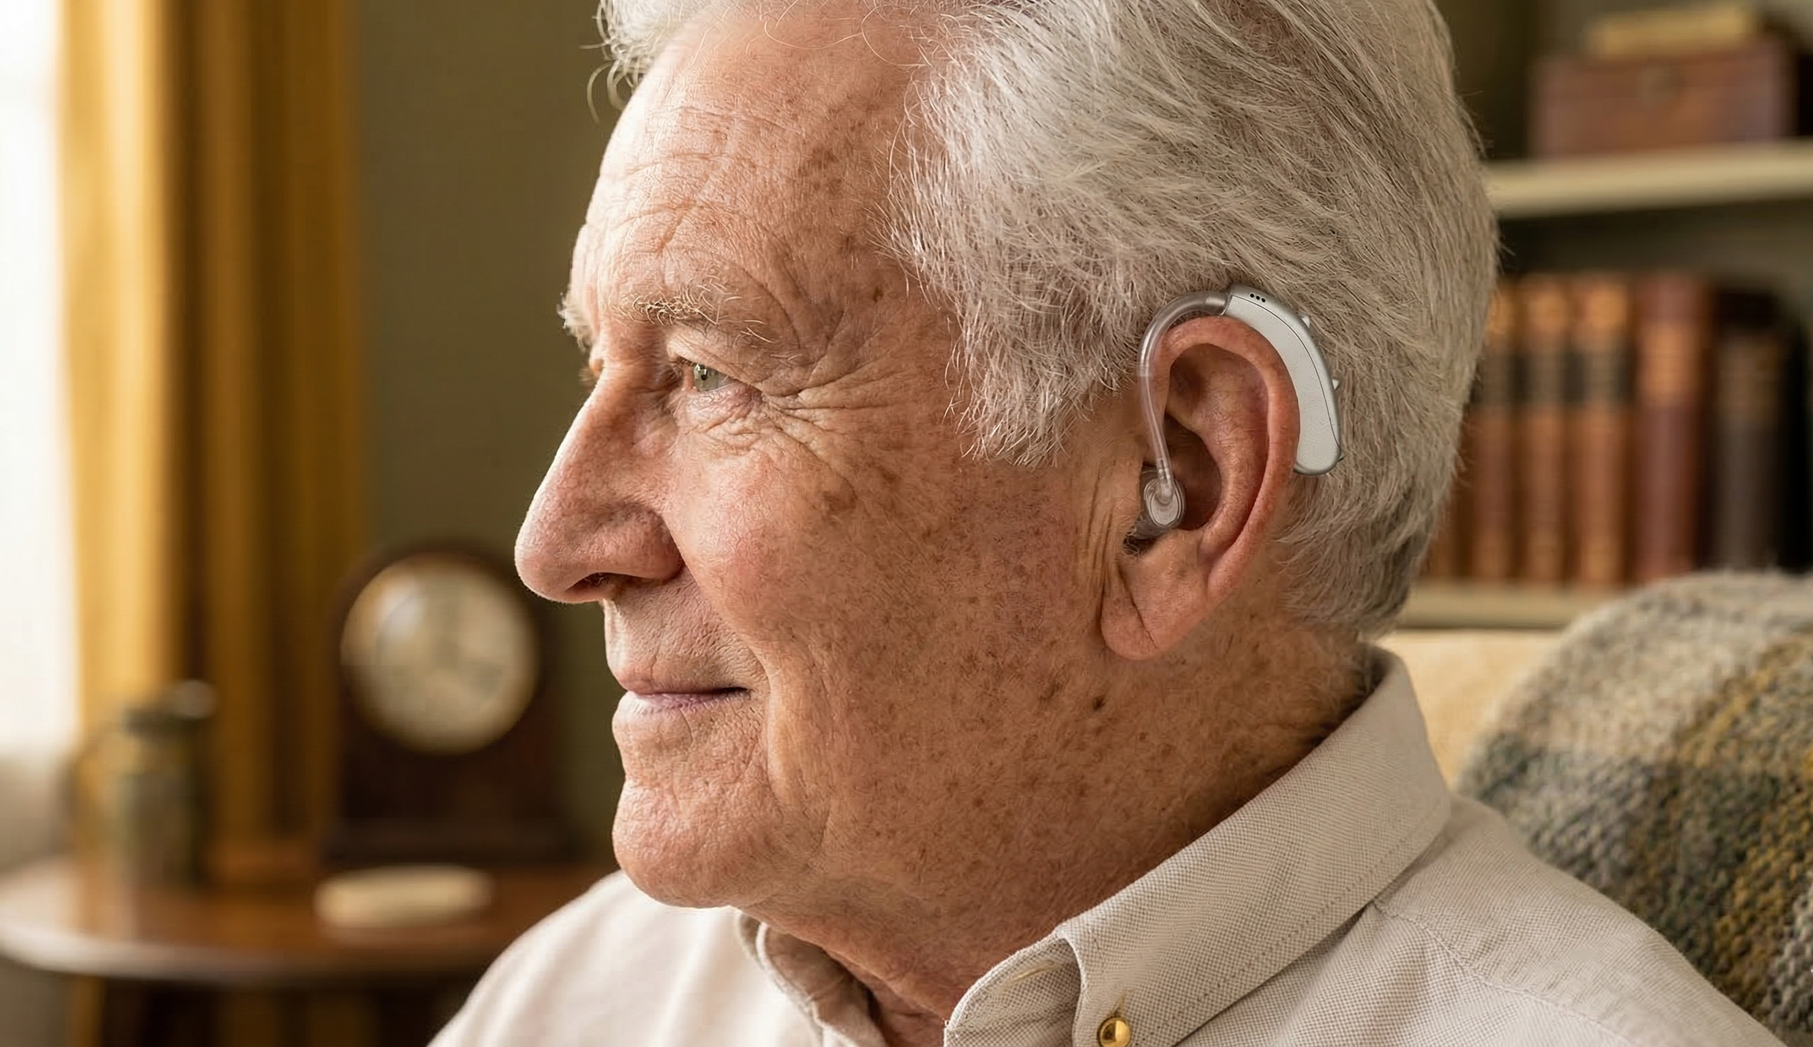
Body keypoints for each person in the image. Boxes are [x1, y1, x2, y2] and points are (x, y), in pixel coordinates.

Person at [435, 1, 1786, 1044]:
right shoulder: (582, 992)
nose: (556, 541)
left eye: (712, 375)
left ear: (1177, 482)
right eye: (595, 368)